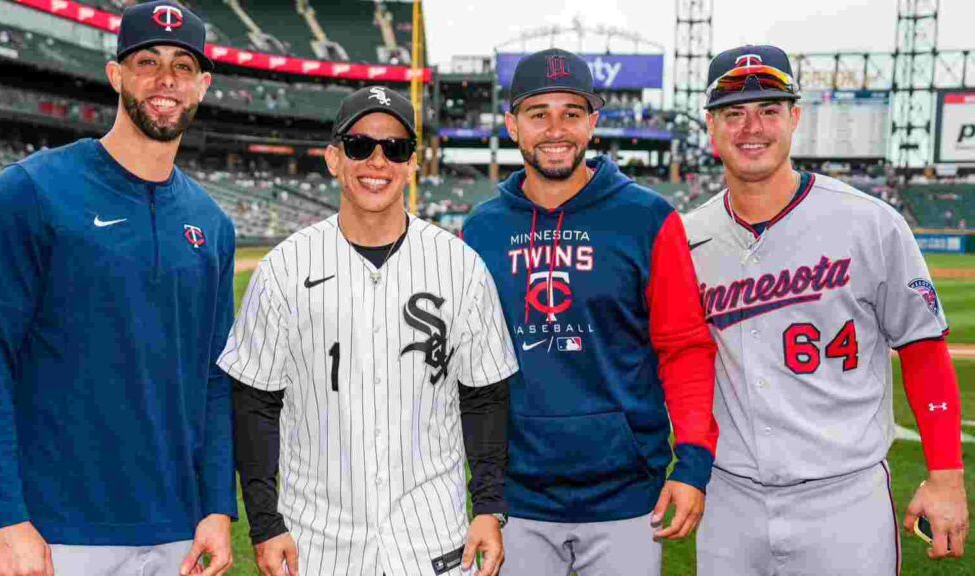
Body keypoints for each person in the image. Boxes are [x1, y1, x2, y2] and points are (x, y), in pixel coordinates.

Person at [0, 2, 236, 575]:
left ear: (203, 85)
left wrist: (217, 508)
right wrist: (5, 518)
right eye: (147, 61)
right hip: (59, 531)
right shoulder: (30, 192)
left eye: (183, 66)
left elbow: (215, 379)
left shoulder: (212, 224)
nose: (166, 79)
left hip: (180, 532)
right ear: (115, 75)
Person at [684, 44, 969, 575]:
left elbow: (925, 351)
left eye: (769, 110)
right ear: (712, 126)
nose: (753, 127)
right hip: (729, 497)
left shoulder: (870, 223)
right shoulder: (685, 238)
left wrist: (947, 477)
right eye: (734, 113)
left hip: (845, 499)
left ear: (794, 118)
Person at [217, 85, 518, 576]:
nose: (377, 161)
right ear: (334, 158)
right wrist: (265, 523)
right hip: (317, 539)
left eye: (394, 148)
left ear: (412, 164)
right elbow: (254, 404)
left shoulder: (459, 266)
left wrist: (488, 506)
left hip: (432, 535)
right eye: (360, 146)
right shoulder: (285, 268)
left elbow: (484, 396)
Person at [463, 48, 719, 576]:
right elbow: (471, 370)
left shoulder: (646, 218)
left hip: (625, 496)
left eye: (572, 113)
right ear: (513, 125)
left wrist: (692, 461)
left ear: (593, 123)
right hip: (518, 499)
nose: (556, 129)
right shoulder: (481, 230)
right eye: (539, 114)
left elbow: (685, 347)